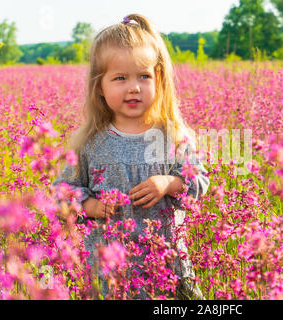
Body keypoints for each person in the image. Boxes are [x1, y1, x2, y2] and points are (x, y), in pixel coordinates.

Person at [52, 13, 209, 299]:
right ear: (100, 86)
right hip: (112, 275)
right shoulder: (90, 143)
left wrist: (168, 183)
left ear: (159, 80)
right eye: (120, 78)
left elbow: (199, 181)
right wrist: (89, 206)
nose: (134, 87)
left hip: (169, 266)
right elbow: (61, 191)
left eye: (144, 76)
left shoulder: (173, 135)